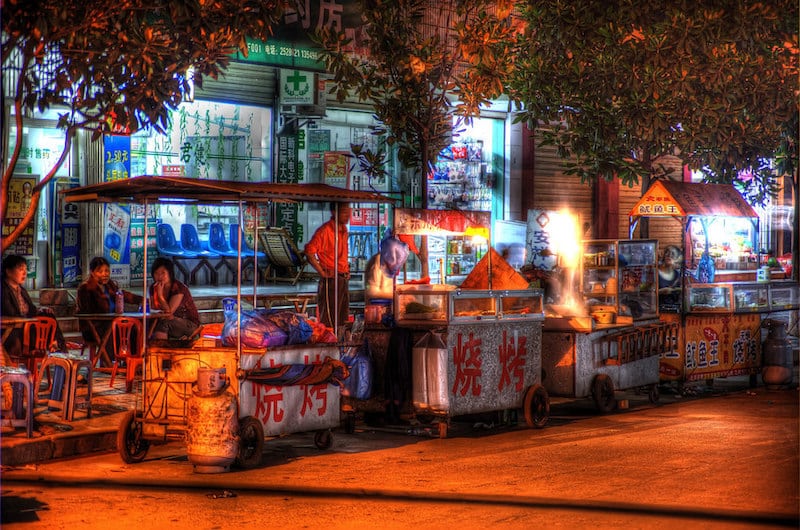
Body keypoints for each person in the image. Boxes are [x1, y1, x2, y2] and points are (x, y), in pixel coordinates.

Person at [76, 256, 143, 360]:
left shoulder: (110, 285)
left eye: (107, 271)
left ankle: (132, 360)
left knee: (133, 327)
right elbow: (85, 311)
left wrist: (140, 300)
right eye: (100, 271)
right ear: (92, 272)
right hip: (94, 327)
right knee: (114, 328)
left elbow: (122, 294)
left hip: (113, 322)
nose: (104, 274)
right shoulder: (85, 288)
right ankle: (108, 362)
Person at [1, 254, 67, 359]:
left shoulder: (21, 290)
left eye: (25, 269)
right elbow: (11, 313)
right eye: (20, 269)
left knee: (49, 316)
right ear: (8, 272)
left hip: (27, 328)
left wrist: (40, 310)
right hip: (12, 331)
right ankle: (57, 349)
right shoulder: (3, 290)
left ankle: (59, 351)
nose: (24, 273)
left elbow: (31, 309)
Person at [305, 202, 351, 330]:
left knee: (343, 318)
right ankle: (328, 344)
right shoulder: (325, 231)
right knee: (329, 318)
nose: (347, 215)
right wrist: (322, 272)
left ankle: (340, 344)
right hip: (330, 280)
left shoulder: (344, 230)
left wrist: (347, 270)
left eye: (348, 212)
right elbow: (309, 252)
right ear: (334, 212)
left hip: (343, 278)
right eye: (344, 212)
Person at [149, 257, 201, 340]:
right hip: (168, 320)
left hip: (188, 324)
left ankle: (161, 350)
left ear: (170, 273)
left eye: (163, 273)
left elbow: (168, 313)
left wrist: (160, 296)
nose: (160, 276)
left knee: (164, 323)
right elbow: (154, 308)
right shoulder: (153, 287)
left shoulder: (178, 288)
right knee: (147, 323)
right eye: (156, 273)